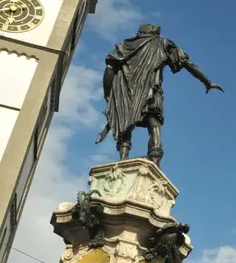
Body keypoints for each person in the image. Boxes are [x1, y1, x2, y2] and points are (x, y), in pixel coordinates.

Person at [96, 24, 224, 166]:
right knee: (154, 125)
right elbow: (187, 63)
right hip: (150, 90)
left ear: (140, 32)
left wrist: (108, 95)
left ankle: (123, 160)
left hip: (125, 91)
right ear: (156, 33)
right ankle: (155, 163)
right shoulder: (162, 43)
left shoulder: (124, 46)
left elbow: (109, 69)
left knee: (125, 124)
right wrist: (207, 81)